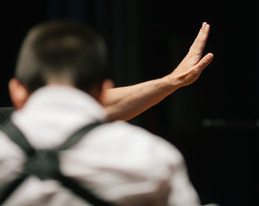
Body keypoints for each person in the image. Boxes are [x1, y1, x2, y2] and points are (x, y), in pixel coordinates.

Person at [0, 20, 213, 205]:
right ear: (103, 91)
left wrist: (171, 82)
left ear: (16, 91)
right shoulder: (151, 156)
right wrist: (172, 81)